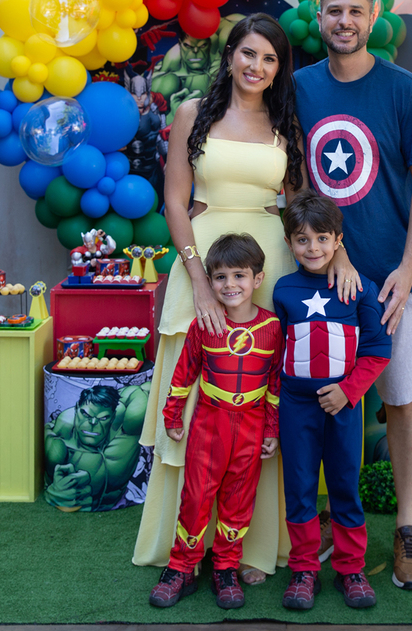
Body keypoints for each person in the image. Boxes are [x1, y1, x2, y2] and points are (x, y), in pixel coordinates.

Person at [132, 13, 359, 585]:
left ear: (279, 68)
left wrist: (343, 257)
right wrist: (200, 281)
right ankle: (183, 548)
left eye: (270, 59)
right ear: (230, 54)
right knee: (194, 401)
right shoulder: (191, 115)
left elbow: (305, 206)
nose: (257, 67)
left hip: (269, 265)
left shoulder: (287, 123)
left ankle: (251, 548)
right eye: (248, 54)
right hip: (201, 263)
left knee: (261, 401)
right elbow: (176, 205)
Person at [295, 0, 412, 590]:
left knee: (402, 400)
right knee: (321, 402)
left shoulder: (405, 89)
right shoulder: (297, 87)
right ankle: (328, 520)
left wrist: (408, 272)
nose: (344, 21)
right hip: (320, 281)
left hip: (390, 282)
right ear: (319, 16)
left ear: (373, 15)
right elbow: (295, 181)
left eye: (356, 10)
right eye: (334, 11)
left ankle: (407, 527)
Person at [148, 234, 283, 609]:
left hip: (252, 426)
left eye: (239, 276)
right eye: (220, 277)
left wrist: (272, 430)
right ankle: (181, 566)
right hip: (210, 425)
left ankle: (225, 567)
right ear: (209, 282)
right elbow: (183, 373)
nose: (230, 285)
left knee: (238, 503)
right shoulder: (204, 325)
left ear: (257, 280)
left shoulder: (273, 328)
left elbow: (275, 383)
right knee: (195, 498)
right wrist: (171, 415)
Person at [272, 191, 390, 610]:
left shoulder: (358, 288)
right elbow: (276, 351)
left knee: (344, 485)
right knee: (300, 488)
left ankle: (350, 569)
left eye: (322, 238)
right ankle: (304, 568)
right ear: (289, 244)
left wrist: (348, 391)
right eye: (302, 240)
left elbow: (377, 350)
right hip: (296, 407)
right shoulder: (283, 290)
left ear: (338, 240)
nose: (313, 248)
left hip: (344, 407)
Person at [43, 383, 150, 512]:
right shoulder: (59, 442)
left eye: (103, 418)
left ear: (113, 416)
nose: (93, 423)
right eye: (86, 415)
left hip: (123, 501)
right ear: (77, 409)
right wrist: (56, 493)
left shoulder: (128, 423)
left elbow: (144, 390)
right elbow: (53, 488)